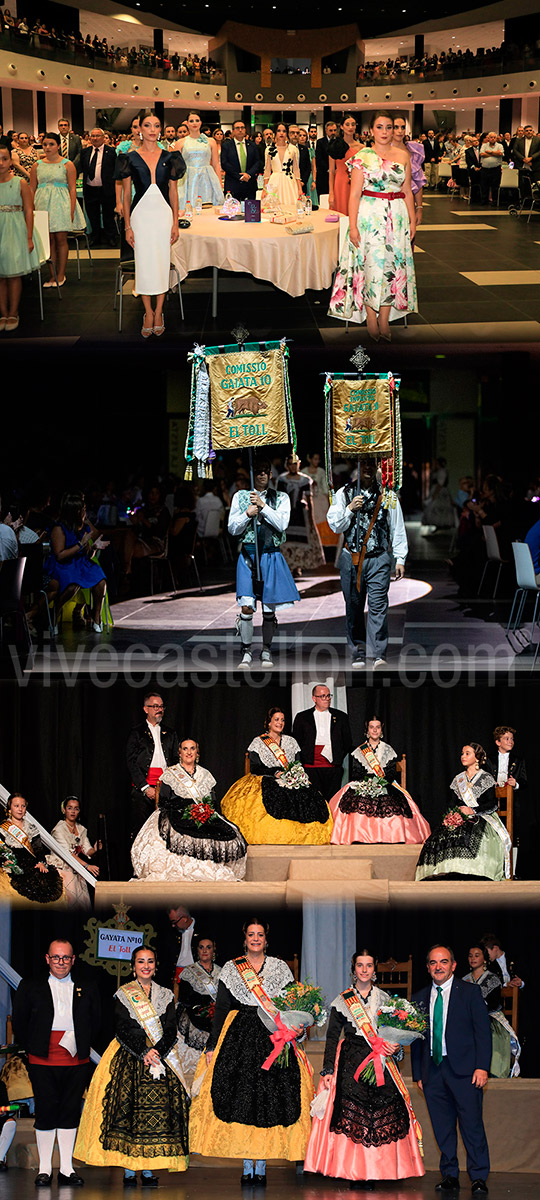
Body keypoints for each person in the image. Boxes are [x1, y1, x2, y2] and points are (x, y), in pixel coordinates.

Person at [190, 919, 314, 1184]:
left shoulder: (280, 968)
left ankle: (262, 1164)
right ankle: (248, 1164)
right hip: (240, 1037)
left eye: (260, 935)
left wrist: (299, 1029)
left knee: (269, 1101)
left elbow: (292, 1004)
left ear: (266, 940)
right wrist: (212, 1045)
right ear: (244, 939)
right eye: (251, 935)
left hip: (274, 1037)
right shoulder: (233, 969)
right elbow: (221, 1009)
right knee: (243, 1098)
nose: (255, 939)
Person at [305, 949, 424, 1184]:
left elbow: (394, 1036)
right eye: (360, 965)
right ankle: (354, 1171)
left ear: (374, 969)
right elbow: (331, 1037)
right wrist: (328, 1070)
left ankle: (382, 1170)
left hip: (379, 1059)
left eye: (369, 965)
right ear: (353, 969)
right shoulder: (342, 1000)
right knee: (353, 1113)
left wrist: (396, 1049)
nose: (364, 970)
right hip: (351, 1061)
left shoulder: (386, 1000)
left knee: (384, 1110)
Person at [74, 945, 189, 1183]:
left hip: (160, 1057)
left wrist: (157, 1051)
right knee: (128, 1111)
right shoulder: (124, 994)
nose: (145, 965)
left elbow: (170, 1029)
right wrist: (144, 1051)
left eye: (150, 961)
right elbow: (122, 1028)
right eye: (140, 961)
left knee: (156, 1115)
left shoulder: (166, 995)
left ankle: (148, 1168)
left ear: (155, 966)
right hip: (130, 1056)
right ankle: (128, 1168)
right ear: (132, 966)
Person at [12, 938, 101, 1187]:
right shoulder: (29, 986)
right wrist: (34, 1046)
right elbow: (20, 1023)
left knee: (70, 1112)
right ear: (47, 959)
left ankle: (66, 1169)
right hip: (42, 1058)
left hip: (77, 1059)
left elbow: (96, 1021)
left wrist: (80, 1041)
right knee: (46, 1112)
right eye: (56, 957)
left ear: (73, 960)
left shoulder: (88, 986)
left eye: (66, 957)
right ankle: (43, 1170)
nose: (61, 962)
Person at [411, 944, 491, 1194]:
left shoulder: (470, 993)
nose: (439, 967)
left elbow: (483, 1033)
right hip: (432, 1072)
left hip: (466, 1071)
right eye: (434, 963)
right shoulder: (419, 998)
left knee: (472, 1126)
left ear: (453, 965)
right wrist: (418, 1074)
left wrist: (482, 1067)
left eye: (443, 962)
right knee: (443, 1128)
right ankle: (449, 1175)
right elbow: (416, 1038)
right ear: (428, 968)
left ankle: (478, 1176)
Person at [328, 111, 417, 337]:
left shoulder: (403, 155)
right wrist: (354, 226)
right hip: (369, 217)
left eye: (390, 127)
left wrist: (413, 220)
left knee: (391, 267)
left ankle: (385, 319)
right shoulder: (363, 156)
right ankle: (370, 316)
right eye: (380, 127)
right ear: (371, 130)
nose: (385, 132)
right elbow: (354, 194)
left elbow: (407, 190)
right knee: (369, 265)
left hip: (396, 217)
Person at [327, 459, 408, 668]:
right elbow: (335, 526)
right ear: (358, 467)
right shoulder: (343, 493)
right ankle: (358, 650)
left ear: (378, 468)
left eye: (373, 464)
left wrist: (400, 558)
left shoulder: (388, 495)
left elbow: (397, 525)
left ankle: (378, 653)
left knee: (378, 606)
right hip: (351, 559)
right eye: (364, 465)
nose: (369, 469)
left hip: (379, 557)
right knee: (353, 606)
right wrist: (350, 509)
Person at [131, 736, 247, 881]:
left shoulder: (205, 774)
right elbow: (165, 800)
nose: (189, 752)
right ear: (179, 753)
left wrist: (204, 810)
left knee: (228, 832)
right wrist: (185, 808)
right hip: (177, 811)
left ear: (197, 753)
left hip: (202, 812)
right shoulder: (171, 773)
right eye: (185, 749)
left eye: (192, 748)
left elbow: (212, 800)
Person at [221, 706, 333, 845]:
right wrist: (275, 773)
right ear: (269, 722)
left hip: (290, 777)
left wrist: (294, 774)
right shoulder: (258, 742)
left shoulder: (291, 742)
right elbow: (255, 768)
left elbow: (297, 763)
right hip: (266, 777)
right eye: (276, 720)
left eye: (283, 720)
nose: (280, 723)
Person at [228, 456, 300, 669]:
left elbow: (282, 524)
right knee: (247, 606)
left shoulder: (282, 498)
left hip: (270, 555)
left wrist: (263, 507)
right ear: (252, 473)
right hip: (248, 555)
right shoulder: (240, 497)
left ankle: (266, 649)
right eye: (257, 470)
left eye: (265, 470)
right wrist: (247, 514)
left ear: (270, 474)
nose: (261, 474)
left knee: (269, 609)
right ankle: (247, 650)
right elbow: (232, 528)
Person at [117, 110, 184, 337]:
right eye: (148, 125)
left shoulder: (171, 156)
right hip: (140, 216)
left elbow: (173, 192)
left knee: (162, 262)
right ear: (139, 129)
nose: (153, 129)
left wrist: (175, 222)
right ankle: (147, 312)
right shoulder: (129, 157)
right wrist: (127, 226)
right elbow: (126, 195)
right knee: (144, 264)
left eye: (156, 125)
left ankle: (159, 311)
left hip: (163, 216)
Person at [415, 743, 511, 881]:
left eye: (467, 753)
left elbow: (492, 803)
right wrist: (454, 813)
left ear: (477, 757)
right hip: (460, 816)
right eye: (462, 753)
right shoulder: (458, 779)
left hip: (482, 816)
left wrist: (473, 810)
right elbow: (451, 803)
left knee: (475, 834)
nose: (463, 756)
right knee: (442, 834)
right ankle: (446, 871)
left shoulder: (486, 777)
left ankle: (474, 872)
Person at [330, 717, 431, 844]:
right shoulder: (359, 751)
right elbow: (356, 772)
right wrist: (368, 783)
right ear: (367, 730)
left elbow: (390, 772)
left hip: (385, 783)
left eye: (377, 727)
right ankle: (358, 836)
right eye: (372, 727)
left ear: (381, 730)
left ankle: (392, 836)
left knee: (394, 802)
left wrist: (380, 782)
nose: (375, 730)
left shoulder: (388, 750)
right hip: (364, 783)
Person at [46, 491, 109, 634]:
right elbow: (60, 555)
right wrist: (80, 544)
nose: (85, 511)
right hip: (63, 565)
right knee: (72, 585)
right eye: (83, 509)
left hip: (81, 563)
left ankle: (97, 616)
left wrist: (93, 548)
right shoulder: (59, 528)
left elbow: (88, 555)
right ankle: (54, 612)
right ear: (76, 512)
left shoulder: (84, 527)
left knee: (100, 581)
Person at [29, 132, 86, 287]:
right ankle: (52, 275)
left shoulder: (67, 164)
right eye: (45, 144)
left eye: (51, 144)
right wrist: (31, 208)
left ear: (59, 146)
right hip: (42, 203)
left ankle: (61, 274)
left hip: (61, 203)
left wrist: (72, 209)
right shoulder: (37, 165)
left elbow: (73, 189)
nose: (47, 147)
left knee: (60, 239)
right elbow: (32, 188)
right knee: (48, 241)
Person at [0, 144, 42, 333]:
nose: (0, 163)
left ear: (11, 161)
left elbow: (28, 209)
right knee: (1, 275)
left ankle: (14, 312)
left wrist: (29, 237)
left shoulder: (20, 182)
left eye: (4, 158)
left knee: (14, 273)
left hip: (15, 229)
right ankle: (3, 313)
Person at [126, 691, 178, 840]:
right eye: (155, 706)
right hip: (143, 787)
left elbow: (174, 761)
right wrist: (145, 787)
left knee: (164, 830)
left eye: (161, 706)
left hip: (165, 786)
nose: (159, 709)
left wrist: (168, 787)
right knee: (141, 830)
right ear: (145, 709)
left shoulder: (170, 733)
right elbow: (131, 762)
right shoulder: (137, 733)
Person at [462, 945, 520, 1078]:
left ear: (484, 958)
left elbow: (494, 1003)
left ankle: (493, 1073)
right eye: (470, 955)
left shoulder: (493, 979)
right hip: (468, 1018)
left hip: (490, 1018)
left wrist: (477, 1011)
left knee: (492, 1035)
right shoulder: (464, 980)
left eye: (477, 955)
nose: (473, 958)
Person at [292, 685, 353, 802]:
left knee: (332, 801)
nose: (327, 699)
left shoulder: (341, 717)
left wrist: (337, 757)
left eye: (328, 695)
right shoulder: (302, 717)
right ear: (314, 698)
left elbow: (347, 742)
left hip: (333, 768)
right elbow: (296, 742)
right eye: (323, 696)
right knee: (313, 801)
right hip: (310, 767)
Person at [0, 793, 63, 904]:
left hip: (31, 863)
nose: (20, 809)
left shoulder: (31, 828)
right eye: (16, 806)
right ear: (9, 809)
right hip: (13, 864)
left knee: (49, 883)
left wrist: (41, 862)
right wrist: (5, 861)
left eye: (23, 806)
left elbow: (38, 849)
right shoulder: (3, 828)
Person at [176, 934, 221, 1088]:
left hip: (216, 1015)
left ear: (214, 950)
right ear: (197, 950)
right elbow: (185, 999)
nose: (205, 951)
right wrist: (205, 1007)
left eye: (208, 947)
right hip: (194, 1014)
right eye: (201, 947)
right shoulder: (189, 972)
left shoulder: (221, 973)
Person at [484, 724, 528, 875]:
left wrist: (515, 784)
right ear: (498, 742)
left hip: (512, 803)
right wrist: (492, 784)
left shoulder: (518, 760)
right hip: (492, 802)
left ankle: (512, 871)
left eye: (512, 739)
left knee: (512, 835)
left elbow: (524, 780)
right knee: (494, 835)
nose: (510, 741)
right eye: (506, 738)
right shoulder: (488, 759)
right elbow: (482, 778)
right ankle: (494, 870)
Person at [48, 796, 99, 910]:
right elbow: (67, 854)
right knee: (68, 904)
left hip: (77, 870)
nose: (73, 811)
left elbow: (87, 850)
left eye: (76, 808)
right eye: (70, 808)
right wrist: (86, 866)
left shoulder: (81, 829)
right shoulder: (59, 830)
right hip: (63, 870)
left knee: (82, 906)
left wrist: (95, 849)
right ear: (64, 810)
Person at [277, 453, 325, 576]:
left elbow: (309, 499)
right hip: (287, 514)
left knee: (300, 540)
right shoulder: (282, 479)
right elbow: (278, 498)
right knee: (287, 540)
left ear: (299, 464)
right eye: (290, 464)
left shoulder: (305, 480)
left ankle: (297, 565)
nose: (293, 467)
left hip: (300, 514)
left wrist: (311, 518)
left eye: (295, 464)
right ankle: (289, 564)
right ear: (286, 465)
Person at [175, 110, 223, 208]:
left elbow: (215, 164)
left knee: (208, 206)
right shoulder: (180, 143)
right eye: (191, 121)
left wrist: (219, 183)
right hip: (188, 178)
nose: (194, 123)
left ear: (201, 122)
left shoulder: (210, 141)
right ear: (187, 123)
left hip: (207, 177)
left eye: (197, 120)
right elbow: (176, 167)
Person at [79, 127, 117, 248]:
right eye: (93, 136)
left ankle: (111, 237)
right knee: (92, 215)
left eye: (98, 136)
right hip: (90, 189)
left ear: (103, 138)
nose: (95, 138)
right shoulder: (85, 152)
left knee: (108, 215)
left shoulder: (111, 152)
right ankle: (94, 237)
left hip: (106, 189)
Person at [392, 117, 426, 228]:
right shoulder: (383, 150)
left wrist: (419, 208)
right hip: (388, 202)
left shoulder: (413, 150)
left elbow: (419, 181)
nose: (400, 131)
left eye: (403, 127)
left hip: (408, 202)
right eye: (396, 127)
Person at [263, 122, 302, 209]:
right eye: (279, 131)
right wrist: (264, 189)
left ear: (287, 133)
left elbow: (296, 170)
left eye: (284, 131)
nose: (281, 133)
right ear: (275, 133)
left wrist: (299, 188)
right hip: (274, 182)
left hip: (289, 182)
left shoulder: (293, 149)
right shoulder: (269, 149)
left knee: (291, 207)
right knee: (273, 208)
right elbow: (267, 170)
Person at [220, 119, 259, 201]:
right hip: (233, 184)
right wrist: (239, 176)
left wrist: (248, 174)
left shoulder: (252, 145)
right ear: (233, 131)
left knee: (250, 212)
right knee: (233, 212)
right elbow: (224, 163)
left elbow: (257, 162)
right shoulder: (226, 145)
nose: (240, 130)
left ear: (245, 130)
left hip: (250, 184)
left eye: (242, 128)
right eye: (237, 128)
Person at [328, 115, 359, 215]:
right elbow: (332, 171)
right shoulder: (335, 145)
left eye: (353, 124)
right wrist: (331, 193)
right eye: (347, 124)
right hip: (340, 183)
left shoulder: (361, 147)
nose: (350, 127)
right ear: (341, 127)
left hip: (356, 183)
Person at [315, 120, 338, 200]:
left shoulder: (340, 142)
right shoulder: (320, 142)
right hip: (324, 175)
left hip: (337, 175)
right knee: (324, 198)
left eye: (335, 130)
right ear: (326, 131)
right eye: (331, 130)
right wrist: (330, 169)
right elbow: (319, 159)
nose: (333, 132)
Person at [479, 131, 503, 204]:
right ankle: (484, 200)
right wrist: (495, 153)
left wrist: (490, 152)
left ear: (496, 138)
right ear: (488, 138)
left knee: (495, 185)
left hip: (495, 169)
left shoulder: (500, 146)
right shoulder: (484, 145)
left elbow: (500, 153)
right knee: (484, 185)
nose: (492, 139)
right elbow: (482, 154)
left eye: (494, 137)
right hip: (485, 169)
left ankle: (495, 200)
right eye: (491, 137)